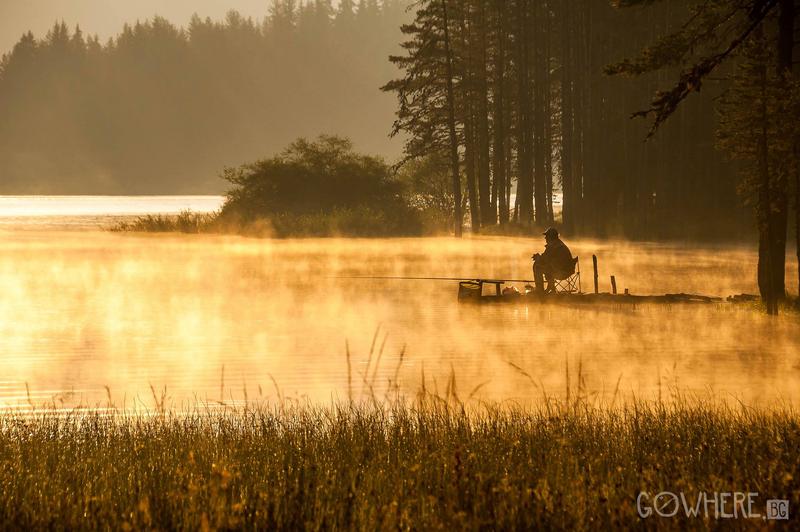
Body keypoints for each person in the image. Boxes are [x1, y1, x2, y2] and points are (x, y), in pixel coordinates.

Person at [532, 227, 575, 293]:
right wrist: (540, 258)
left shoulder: (554, 246)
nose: (545, 238)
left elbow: (545, 259)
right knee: (547, 266)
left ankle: (540, 291)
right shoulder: (558, 244)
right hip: (566, 270)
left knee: (537, 266)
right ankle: (551, 289)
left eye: (546, 236)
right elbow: (547, 258)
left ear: (551, 237)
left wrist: (538, 258)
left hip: (562, 272)